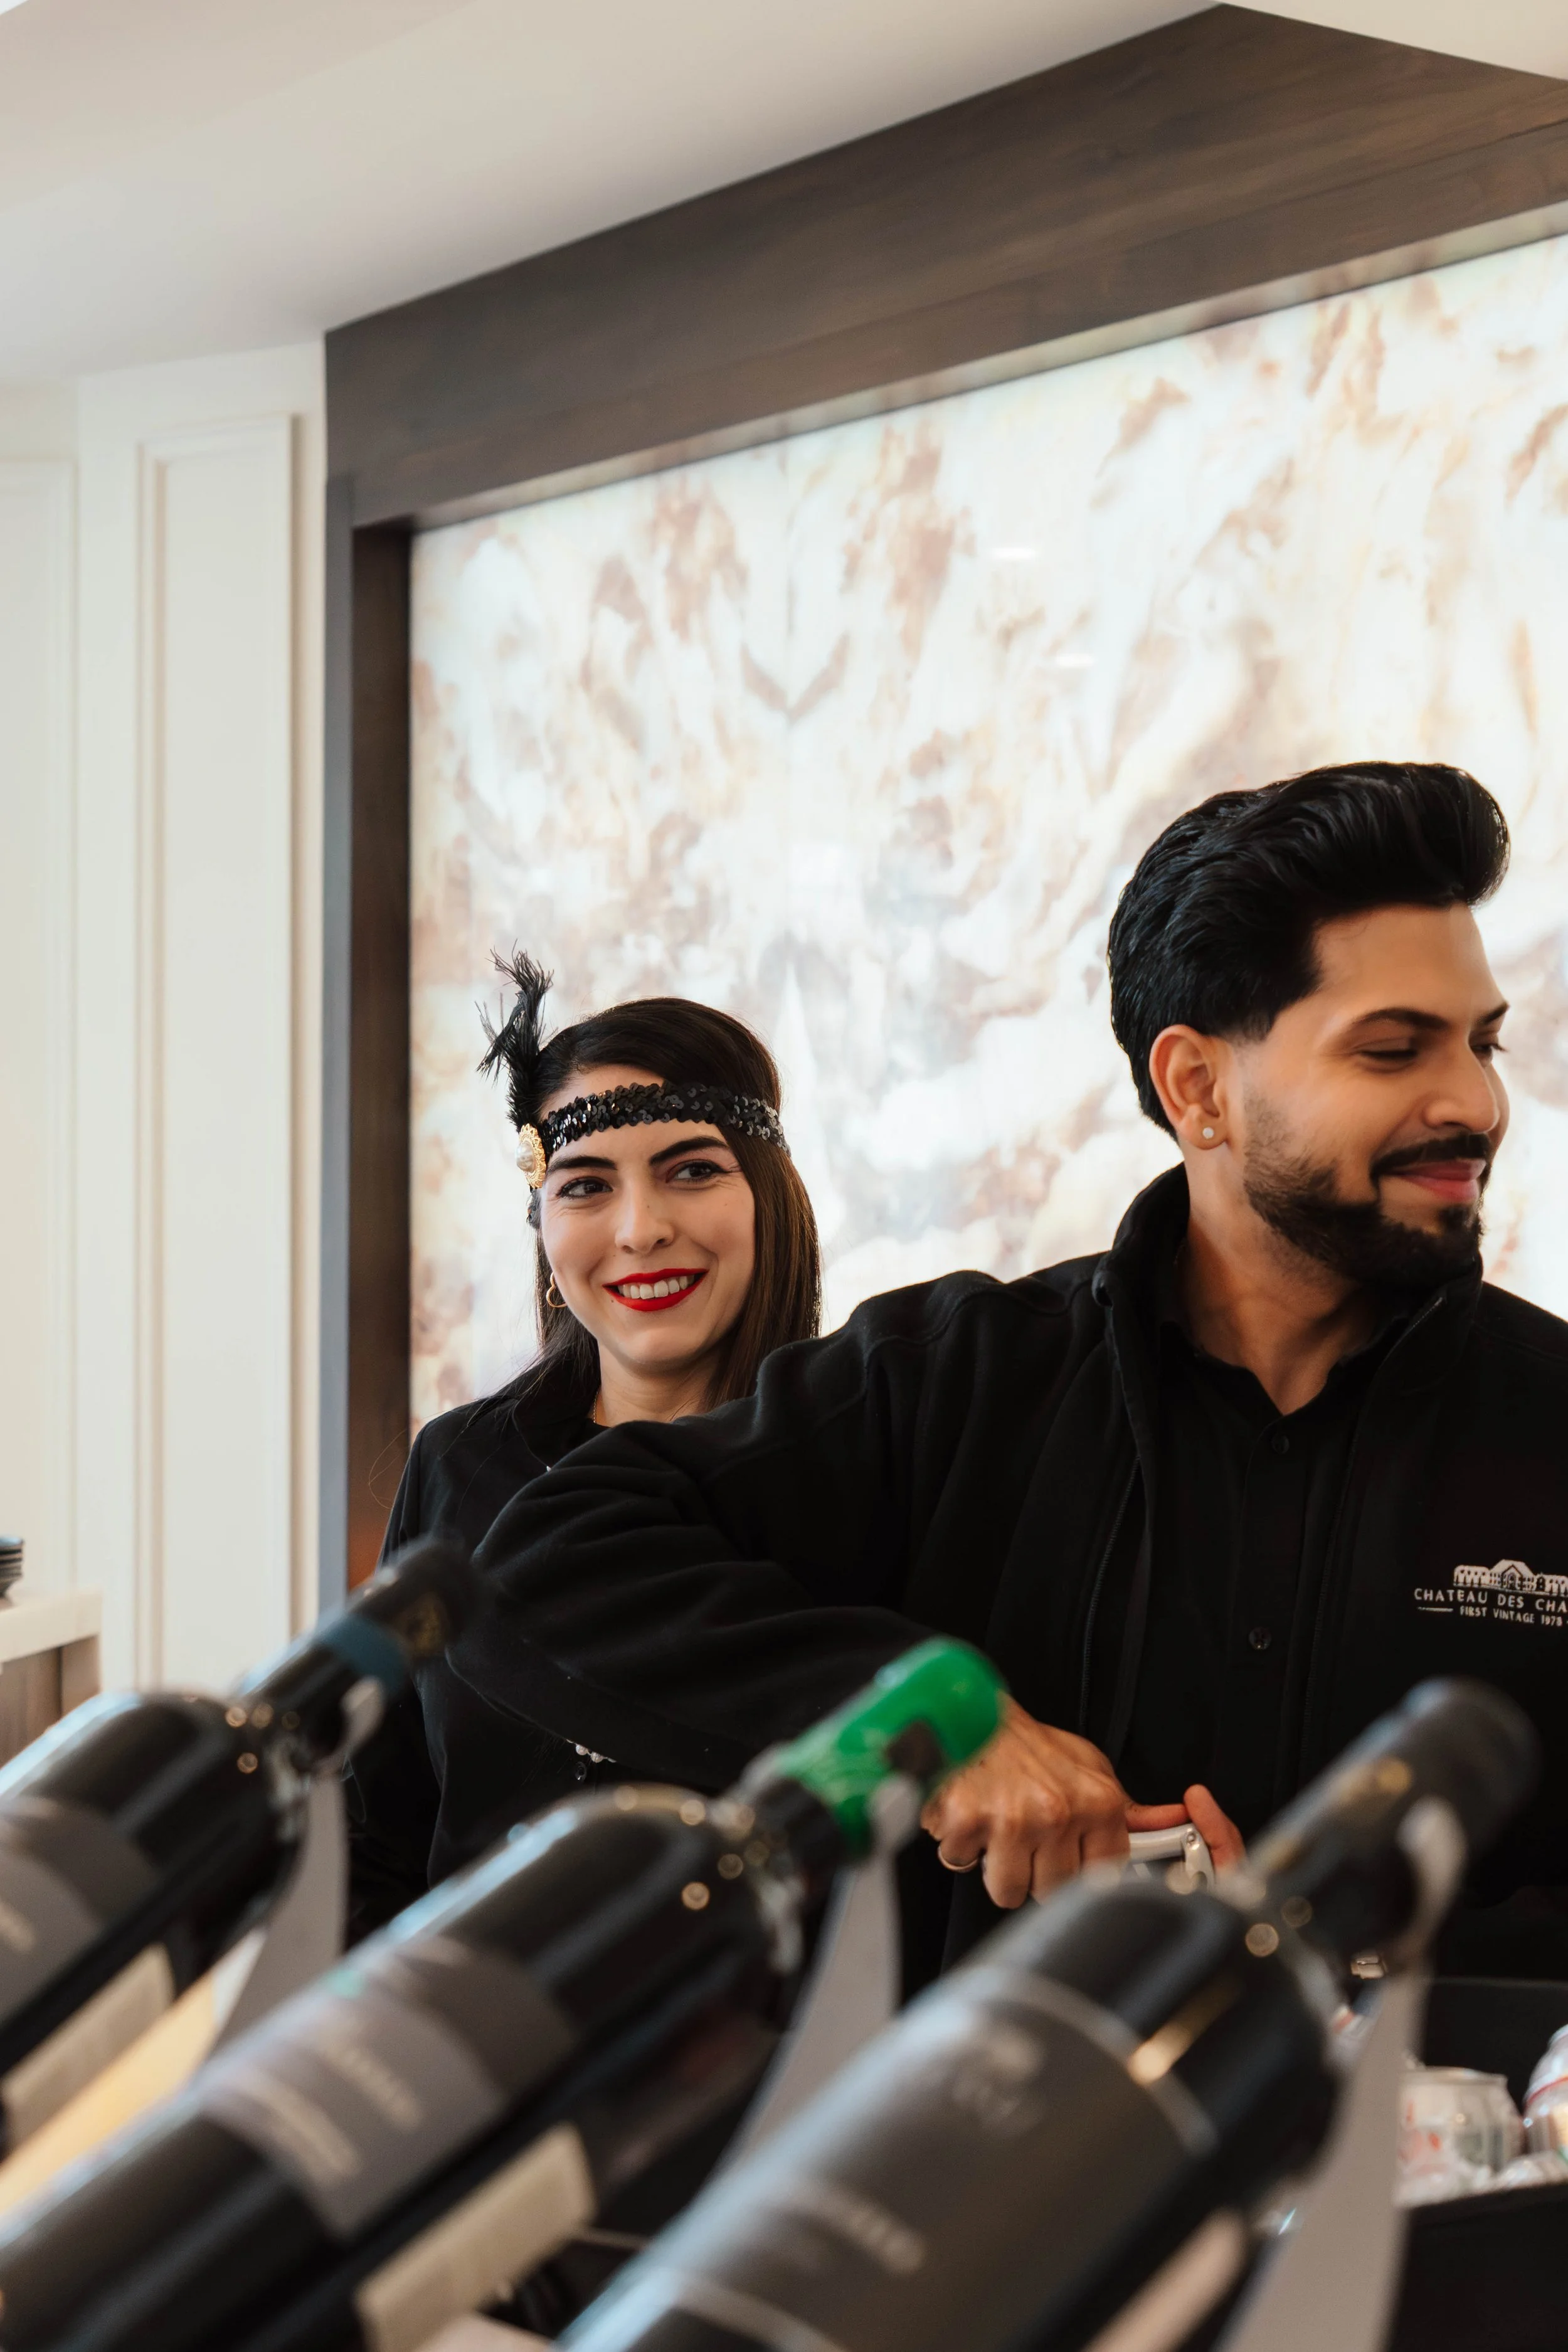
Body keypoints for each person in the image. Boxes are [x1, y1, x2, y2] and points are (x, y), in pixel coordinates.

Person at [450, 762, 1568, 1983]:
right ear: (1195, 1087)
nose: (1470, 1101)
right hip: (988, 2155)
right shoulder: (954, 1379)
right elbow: (539, 1564)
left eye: (1479, 1043)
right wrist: (929, 1719)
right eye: (1393, 1050)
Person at [346, 956, 821, 1937]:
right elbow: (380, 1824)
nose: (641, 1229)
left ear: (768, 1198)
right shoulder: (458, 1468)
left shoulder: (873, 1467)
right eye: (587, 1185)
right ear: (544, 1230)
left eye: (692, 1169)